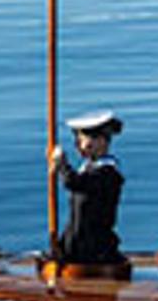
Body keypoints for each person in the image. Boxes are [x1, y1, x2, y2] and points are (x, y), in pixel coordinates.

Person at [48, 111, 128, 272]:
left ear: (101, 141)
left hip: (94, 250)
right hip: (77, 244)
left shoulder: (107, 173)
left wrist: (62, 163)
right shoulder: (88, 168)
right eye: (76, 141)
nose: (78, 146)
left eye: (83, 140)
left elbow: (74, 183)